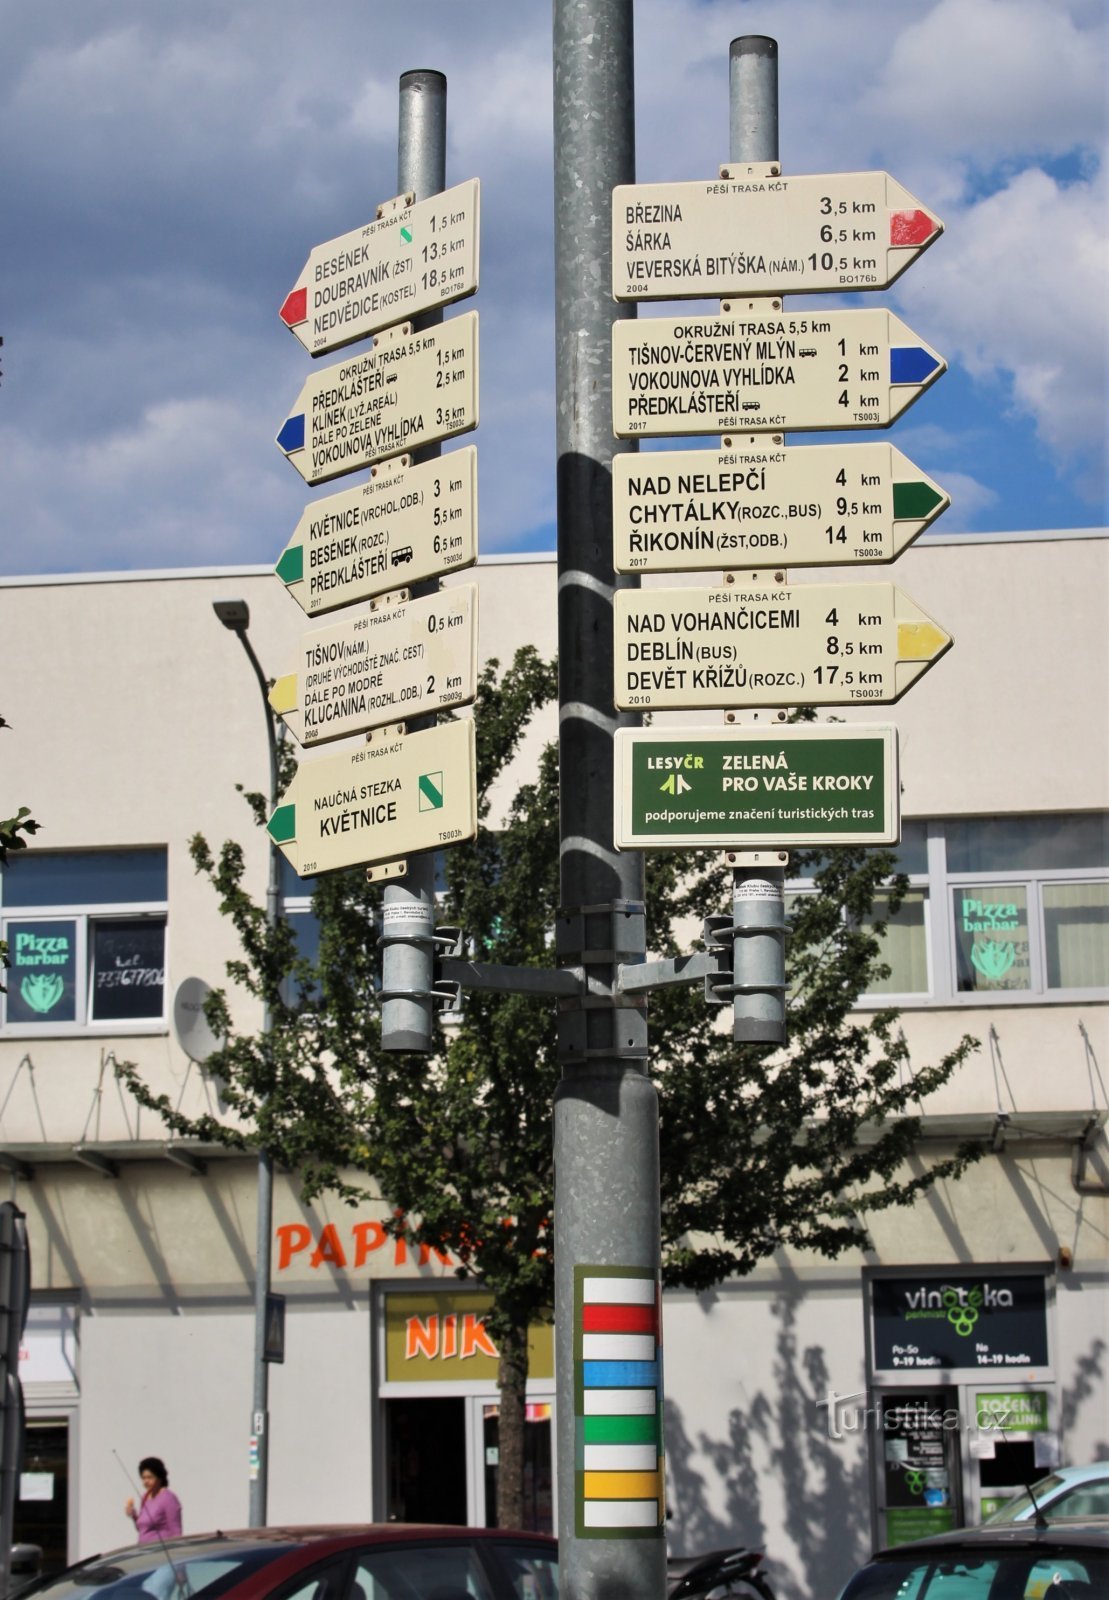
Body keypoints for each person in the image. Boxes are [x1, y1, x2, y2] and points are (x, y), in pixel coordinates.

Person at [124, 1457, 183, 1543]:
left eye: (150, 1477)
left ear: (159, 1478)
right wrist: (133, 1515)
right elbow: (143, 1529)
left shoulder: (168, 1498)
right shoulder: (145, 1497)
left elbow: (176, 1531)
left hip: (161, 1550)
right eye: (143, 1478)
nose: (146, 1481)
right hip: (144, 1549)